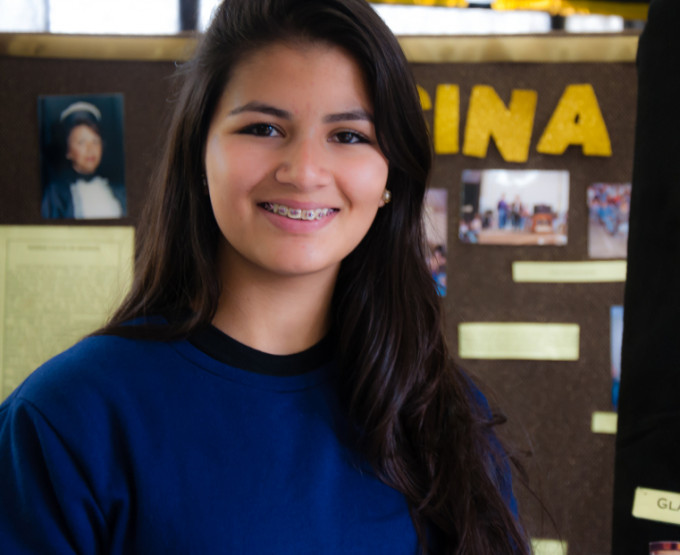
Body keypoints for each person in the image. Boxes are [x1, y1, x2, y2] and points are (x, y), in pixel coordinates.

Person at [0, 1, 527, 553]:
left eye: (348, 136)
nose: (303, 172)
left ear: (389, 174)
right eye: (264, 127)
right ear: (198, 155)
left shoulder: (444, 413)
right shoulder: (68, 419)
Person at [41, 101, 127, 219]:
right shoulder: (56, 195)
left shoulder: (118, 191)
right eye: (81, 142)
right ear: (68, 151)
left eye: (95, 141)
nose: (90, 149)